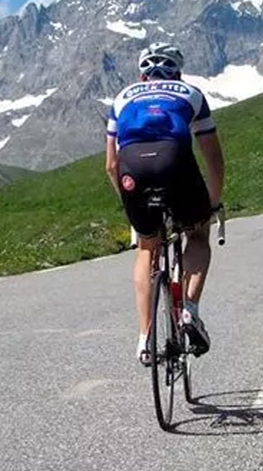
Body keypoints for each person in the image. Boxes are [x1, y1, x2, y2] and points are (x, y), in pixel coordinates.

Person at [104, 42, 225, 365]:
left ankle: (145, 338)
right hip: (175, 162)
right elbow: (212, 156)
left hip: (131, 168)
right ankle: (189, 311)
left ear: (142, 75)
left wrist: (132, 211)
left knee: (147, 248)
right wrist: (213, 202)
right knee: (198, 236)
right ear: (178, 72)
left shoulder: (122, 98)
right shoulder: (190, 93)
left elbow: (110, 166)